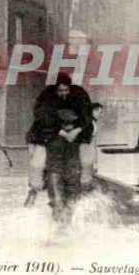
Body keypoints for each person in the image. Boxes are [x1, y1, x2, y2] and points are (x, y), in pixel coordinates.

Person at [24, 73, 92, 207]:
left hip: (74, 133)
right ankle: (34, 189)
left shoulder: (79, 95)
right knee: (38, 163)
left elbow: (86, 117)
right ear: (55, 89)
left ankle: (85, 187)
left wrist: (76, 130)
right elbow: (42, 118)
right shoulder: (46, 97)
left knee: (86, 160)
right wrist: (60, 132)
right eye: (60, 91)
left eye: (66, 90)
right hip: (46, 133)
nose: (63, 93)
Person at [45, 108, 84, 223]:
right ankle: (60, 228)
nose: (70, 126)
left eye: (71, 123)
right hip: (57, 171)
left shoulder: (77, 136)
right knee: (59, 203)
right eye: (67, 123)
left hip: (69, 172)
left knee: (69, 202)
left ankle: (65, 227)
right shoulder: (51, 135)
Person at [79, 102, 103, 191]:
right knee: (86, 175)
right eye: (98, 112)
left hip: (88, 151)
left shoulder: (91, 123)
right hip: (86, 152)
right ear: (92, 111)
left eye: (101, 112)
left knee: (87, 174)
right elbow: (85, 141)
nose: (100, 114)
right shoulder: (88, 124)